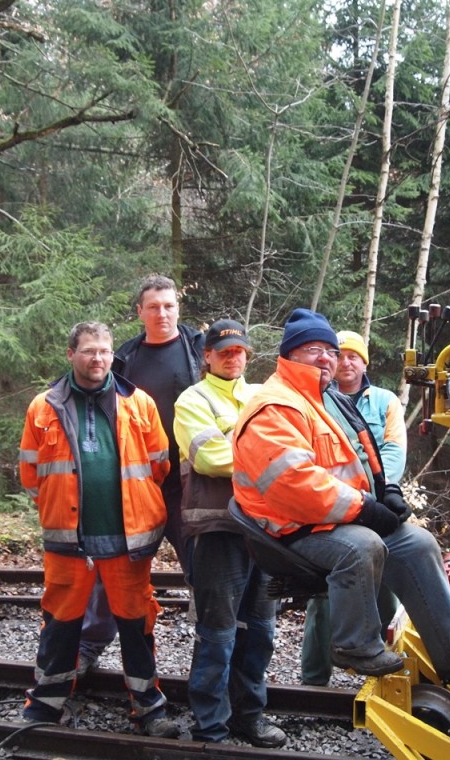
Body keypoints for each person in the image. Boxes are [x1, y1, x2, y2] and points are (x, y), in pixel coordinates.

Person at [231, 309, 450, 682]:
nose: (325, 358)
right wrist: (365, 509)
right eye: (312, 349)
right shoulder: (276, 405)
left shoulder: (325, 401)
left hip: (330, 517)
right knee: (362, 546)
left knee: (416, 541)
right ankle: (354, 644)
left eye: (330, 351)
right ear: (288, 356)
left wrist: (387, 493)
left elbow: (364, 459)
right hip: (288, 525)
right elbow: (293, 485)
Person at [19, 321, 179, 738]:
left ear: (113, 355)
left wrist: (133, 505)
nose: (98, 359)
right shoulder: (43, 406)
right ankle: (45, 705)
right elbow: (30, 473)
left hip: (129, 540)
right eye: (89, 351)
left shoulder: (139, 403)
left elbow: (159, 465)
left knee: (137, 624)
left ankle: (148, 709)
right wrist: (62, 508)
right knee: (60, 622)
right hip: (67, 539)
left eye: (105, 352)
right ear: (71, 353)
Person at [77, 274, 205, 675]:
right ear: (140, 312)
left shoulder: (199, 351)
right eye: (153, 307)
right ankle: (87, 647)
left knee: (205, 571)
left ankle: (211, 663)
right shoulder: (124, 358)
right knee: (113, 571)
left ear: (178, 309)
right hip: (136, 484)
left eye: (168, 306)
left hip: (190, 485)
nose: (162, 313)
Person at [172, 319, 287, 748]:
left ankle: (249, 717)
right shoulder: (192, 400)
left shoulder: (261, 396)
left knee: (261, 630)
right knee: (218, 633)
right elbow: (208, 457)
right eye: (224, 351)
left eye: (239, 351)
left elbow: (291, 445)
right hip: (219, 528)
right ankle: (210, 726)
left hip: (266, 530)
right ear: (206, 356)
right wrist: (268, 459)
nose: (233, 357)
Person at [300, 329, 406, 686]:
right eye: (339, 354)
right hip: (333, 508)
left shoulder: (385, 401)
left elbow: (393, 450)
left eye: (353, 356)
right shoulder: (316, 400)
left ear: (364, 363)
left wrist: (377, 495)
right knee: (323, 597)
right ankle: (314, 680)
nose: (345, 362)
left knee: (385, 587)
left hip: (379, 505)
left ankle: (374, 669)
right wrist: (347, 500)